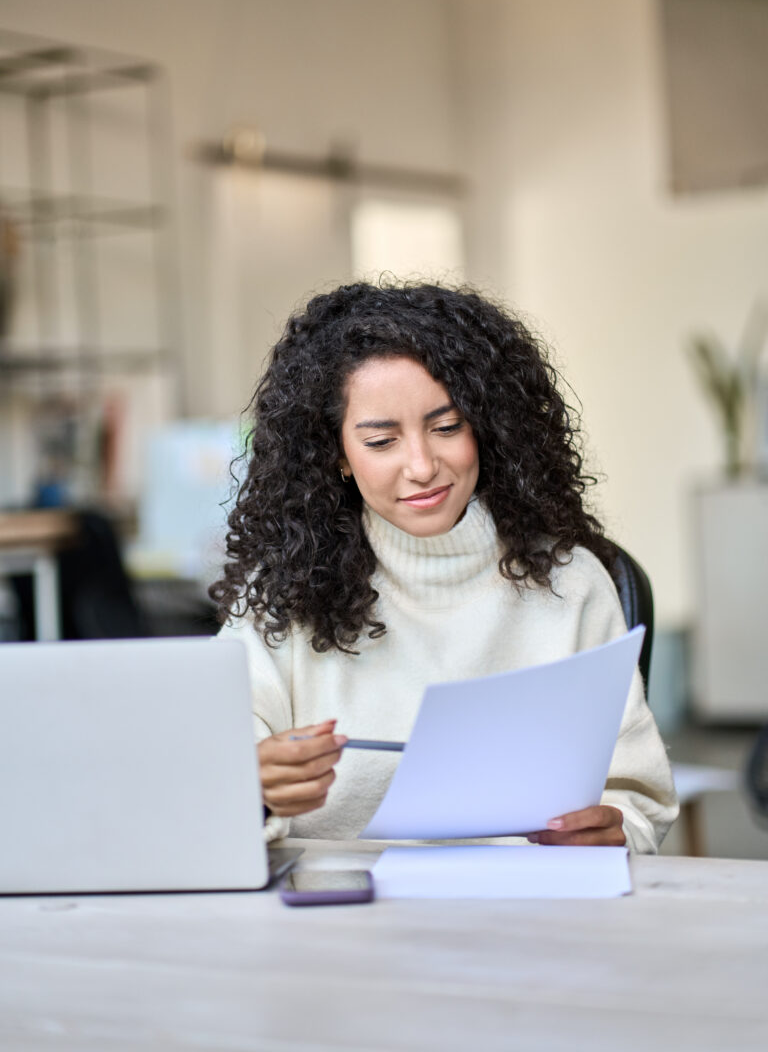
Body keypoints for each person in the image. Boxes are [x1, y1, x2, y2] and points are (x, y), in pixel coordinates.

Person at [211, 281, 678, 851]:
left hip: (526, 917)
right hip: (334, 921)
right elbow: (207, 783)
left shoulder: (570, 581)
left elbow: (634, 798)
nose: (422, 465)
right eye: (381, 440)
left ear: (487, 426)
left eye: (447, 427)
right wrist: (251, 788)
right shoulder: (281, 594)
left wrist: (613, 830)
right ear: (336, 454)